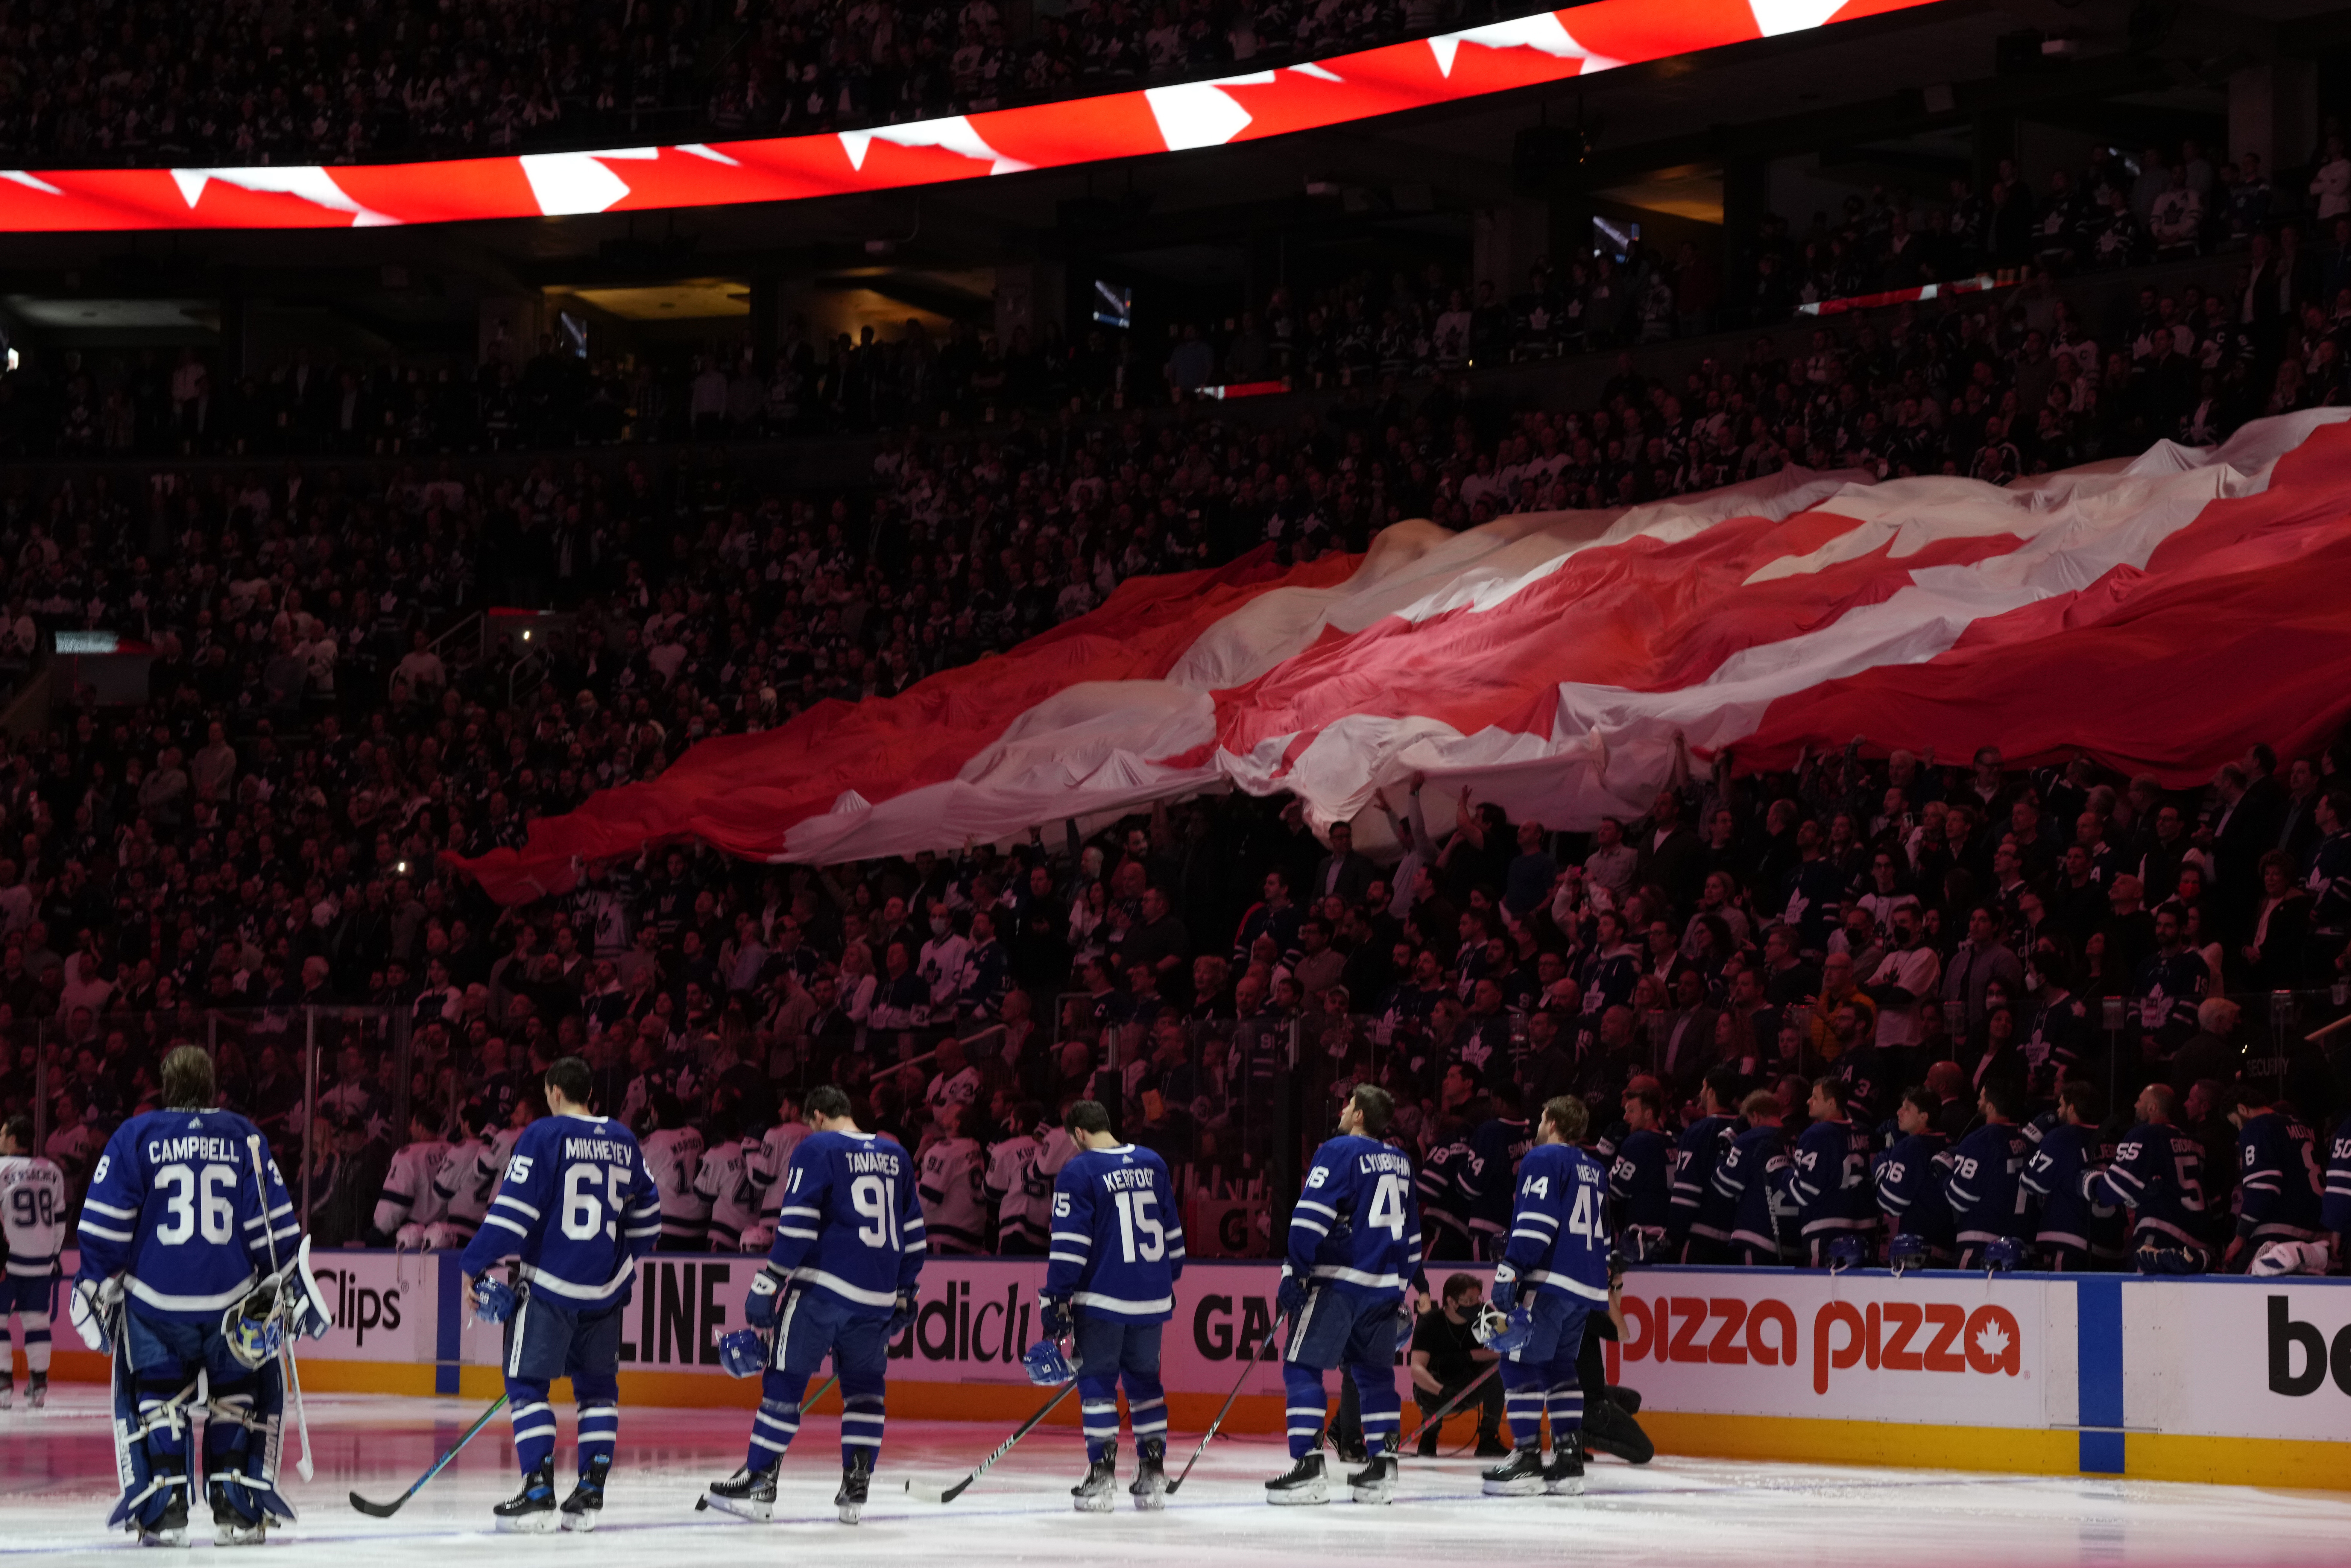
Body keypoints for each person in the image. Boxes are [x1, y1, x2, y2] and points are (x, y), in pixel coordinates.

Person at [69, 1045, 327, 1546]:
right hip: (232, 1301)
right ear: (212, 1087)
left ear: (166, 1089)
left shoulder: (135, 1135)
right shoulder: (244, 1136)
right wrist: (285, 1285)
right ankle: (236, 1506)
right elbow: (271, 1233)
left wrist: (98, 1279)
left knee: (160, 1397)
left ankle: (165, 1509)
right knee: (238, 1397)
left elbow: (105, 1227)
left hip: (154, 1303)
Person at [703, 1083, 924, 1526]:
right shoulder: (896, 1156)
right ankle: (856, 1485)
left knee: (784, 1381)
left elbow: (798, 1227)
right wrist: (905, 1291)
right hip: (877, 1298)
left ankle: (761, 1479)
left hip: (822, 1292)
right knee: (865, 1392)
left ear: (819, 1116)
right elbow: (914, 1235)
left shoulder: (817, 1148)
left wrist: (768, 1282)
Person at [460, 1055, 661, 1532]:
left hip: (549, 1286)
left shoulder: (543, 1136)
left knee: (527, 1385)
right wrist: (620, 1263)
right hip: (606, 1293)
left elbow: (513, 1213)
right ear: (589, 1093)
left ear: (553, 1091)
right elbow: (650, 1219)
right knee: (598, 1392)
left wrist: (472, 1264)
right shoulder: (624, 1139)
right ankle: (590, 1494)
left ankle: (537, 1490)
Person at [1267, 1083, 1423, 1506]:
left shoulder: (1338, 1151)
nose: (1343, 1108)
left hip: (1338, 1281)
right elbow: (1413, 1239)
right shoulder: (1402, 1163)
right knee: (1375, 1377)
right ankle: (1384, 1466)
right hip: (1385, 1286)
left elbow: (1308, 1219)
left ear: (1358, 1116)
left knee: (1302, 1367)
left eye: (1348, 1103)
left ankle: (1308, 1466)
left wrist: (1295, 1273)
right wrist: (1400, 1284)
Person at [1039, 1098, 1187, 1511]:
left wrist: (1056, 1295)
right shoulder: (1153, 1162)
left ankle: (1102, 1478)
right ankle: (1153, 1474)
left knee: (1098, 1382)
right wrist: (1165, 1277)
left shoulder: (1080, 1170)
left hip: (1103, 1297)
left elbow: (1070, 1245)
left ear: (1079, 1134)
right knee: (1145, 1384)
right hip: (1151, 1297)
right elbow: (1172, 1230)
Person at [1480, 1094, 1611, 1499]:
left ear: (1552, 1121)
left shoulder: (1542, 1159)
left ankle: (1527, 1458)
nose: (1537, 1124)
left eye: (1540, 1117)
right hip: (1585, 1284)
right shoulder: (1595, 1168)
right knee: (1559, 1367)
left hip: (1550, 1279)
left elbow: (1536, 1221)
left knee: (1517, 1363)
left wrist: (1511, 1269)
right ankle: (1569, 1460)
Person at [2085, 1083, 2211, 1269]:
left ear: (2153, 1107)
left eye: (2140, 1101)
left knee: (2137, 1297)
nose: (2136, 1106)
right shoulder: (2193, 1142)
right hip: (2196, 1241)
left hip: (2160, 1235)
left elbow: (2114, 1189)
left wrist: (2088, 1182)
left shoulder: (2144, 1134)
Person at [0, 1113, 66, 1409]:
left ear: (13, 1139)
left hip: (8, 1258)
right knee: (38, 1322)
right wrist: (53, 1254)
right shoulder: (52, 1170)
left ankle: (3, 1383)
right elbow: (61, 1219)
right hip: (41, 1259)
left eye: (3, 1134)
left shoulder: (2, 1167)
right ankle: (39, 1383)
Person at [2224, 1083, 2323, 1271]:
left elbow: (2263, 1187)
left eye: (2237, 1123)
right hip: (2316, 1234)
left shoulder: (2257, 1127)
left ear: (2242, 1109)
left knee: (2238, 1293)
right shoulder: (2306, 1127)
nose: (2240, 1131)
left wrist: (2240, 1236)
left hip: (2277, 1235)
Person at [2019, 1080, 2114, 1271]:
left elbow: (2031, 1183)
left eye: (2061, 1105)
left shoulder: (2063, 1136)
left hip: (2072, 1239)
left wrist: (2031, 1146)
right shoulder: (2111, 1139)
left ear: (2072, 1108)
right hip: (2110, 1243)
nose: (2058, 1111)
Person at [1408, 1274, 1505, 1458]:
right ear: (1451, 1302)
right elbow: (1417, 1369)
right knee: (1431, 1378)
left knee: (1499, 1370)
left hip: (1469, 1384)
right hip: (1438, 1389)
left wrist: (1471, 1356)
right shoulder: (1430, 1323)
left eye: (1478, 1299)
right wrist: (1442, 1391)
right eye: (1468, 1301)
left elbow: (1505, 1350)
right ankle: (1430, 1434)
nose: (1475, 1305)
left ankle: (1488, 1440)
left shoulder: (1484, 1316)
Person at [1785, 1075, 1874, 1266]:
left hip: (1825, 1231)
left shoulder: (1817, 1134)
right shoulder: (1866, 1133)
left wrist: (1781, 1173)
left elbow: (1804, 1193)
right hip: (1865, 1230)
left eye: (1815, 1097)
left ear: (1832, 1103)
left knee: (1822, 1294)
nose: (1809, 1101)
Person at [1945, 1078, 2032, 1268]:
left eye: (1982, 1098)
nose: (1978, 1102)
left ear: (1991, 1106)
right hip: (2020, 1245)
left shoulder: (1980, 1140)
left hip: (1981, 1244)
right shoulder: (2026, 1140)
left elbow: (1961, 1197)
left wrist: (1947, 1174)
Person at [1874, 1087, 1955, 1265]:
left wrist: (1881, 1169)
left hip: (1915, 1252)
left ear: (1923, 1116)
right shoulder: (1946, 1142)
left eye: (1907, 1108)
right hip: (1946, 1247)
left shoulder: (1911, 1146)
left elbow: (1891, 1204)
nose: (1899, 1112)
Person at [1607, 1081, 1674, 1256]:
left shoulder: (1640, 1141)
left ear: (1648, 1114)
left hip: (1642, 1237)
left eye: (1632, 1111)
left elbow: (1615, 1190)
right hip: (1668, 1234)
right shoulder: (1673, 1141)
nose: (1625, 1118)